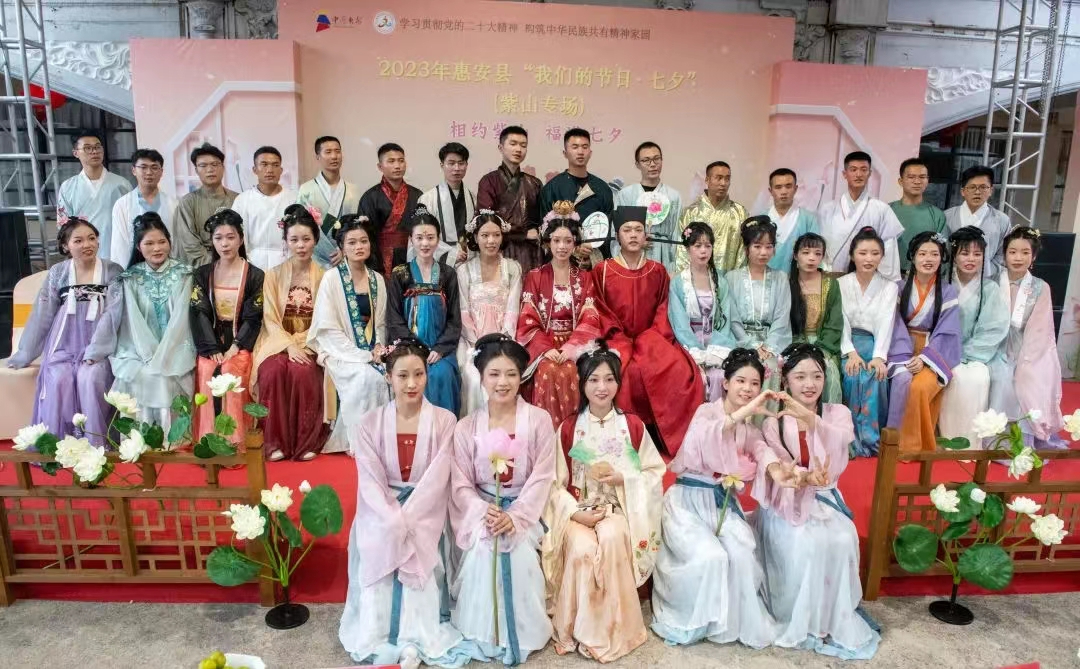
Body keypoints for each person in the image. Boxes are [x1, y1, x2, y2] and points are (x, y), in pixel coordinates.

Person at [339, 338, 481, 668]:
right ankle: (380, 634)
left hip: (425, 513)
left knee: (417, 561)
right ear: (388, 377)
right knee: (382, 542)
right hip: (381, 512)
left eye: (419, 374)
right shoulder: (369, 423)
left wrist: (409, 517)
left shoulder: (445, 420)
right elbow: (370, 481)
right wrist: (392, 518)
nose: (412, 383)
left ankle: (415, 638)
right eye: (402, 376)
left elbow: (437, 479)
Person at [650, 348, 798, 649]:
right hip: (687, 504)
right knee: (711, 556)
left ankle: (729, 624)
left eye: (755, 384)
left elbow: (761, 450)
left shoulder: (748, 428)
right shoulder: (707, 413)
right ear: (726, 383)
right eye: (741, 381)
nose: (748, 389)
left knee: (742, 553)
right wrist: (749, 409)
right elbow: (710, 435)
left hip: (720, 503)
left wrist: (777, 472)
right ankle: (693, 620)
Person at [756, 343, 880, 660]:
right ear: (785, 381)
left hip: (826, 498)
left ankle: (831, 617)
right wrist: (804, 477)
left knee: (842, 538)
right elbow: (781, 467)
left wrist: (810, 421)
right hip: (788, 499)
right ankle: (802, 618)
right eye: (800, 377)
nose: (809, 384)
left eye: (817, 376)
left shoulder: (838, 413)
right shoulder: (773, 422)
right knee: (806, 543)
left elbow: (842, 442)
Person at [541, 342, 664, 662]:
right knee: (582, 548)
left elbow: (654, 472)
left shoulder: (633, 426)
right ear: (582, 384)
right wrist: (573, 513)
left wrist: (625, 478)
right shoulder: (569, 428)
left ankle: (614, 631)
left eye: (610, 379)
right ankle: (577, 629)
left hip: (618, 508)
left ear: (618, 383)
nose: (602, 387)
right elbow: (553, 485)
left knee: (611, 538)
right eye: (593, 379)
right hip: (578, 510)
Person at [449, 334, 555, 665]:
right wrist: (485, 512)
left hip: (526, 511)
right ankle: (484, 633)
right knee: (484, 551)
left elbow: (542, 476)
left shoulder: (539, 420)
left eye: (511, 373)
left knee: (518, 554)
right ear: (481, 377)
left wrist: (516, 516)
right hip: (483, 513)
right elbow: (461, 484)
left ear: (522, 376)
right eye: (494, 374)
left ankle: (522, 633)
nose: (502, 382)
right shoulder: (466, 427)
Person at [592, 206, 704, 454]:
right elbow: (601, 311)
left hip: (652, 338)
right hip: (615, 338)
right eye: (627, 230)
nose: (633, 235)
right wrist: (618, 338)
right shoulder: (603, 270)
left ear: (646, 235)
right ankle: (625, 438)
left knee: (680, 370)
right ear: (617, 235)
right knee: (626, 370)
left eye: (638, 230)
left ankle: (668, 437)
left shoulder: (658, 271)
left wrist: (649, 338)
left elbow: (663, 310)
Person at [5, 219, 122, 445]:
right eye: (78, 240)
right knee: (59, 379)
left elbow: (113, 313)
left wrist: (96, 350)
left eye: (91, 238)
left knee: (91, 378)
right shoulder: (58, 272)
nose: (87, 244)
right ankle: (60, 446)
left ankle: (97, 445)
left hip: (101, 347)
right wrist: (26, 352)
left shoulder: (113, 270)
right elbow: (43, 313)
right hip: (63, 344)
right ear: (66, 246)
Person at [250, 205, 330, 461]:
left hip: (310, 341)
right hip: (277, 341)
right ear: (285, 241)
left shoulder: (325, 277)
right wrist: (288, 345)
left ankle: (307, 441)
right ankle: (275, 442)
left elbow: (323, 320)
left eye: (306, 239)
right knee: (272, 371)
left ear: (315, 240)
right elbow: (270, 318)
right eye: (294, 239)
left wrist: (301, 343)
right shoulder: (272, 275)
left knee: (303, 371)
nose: (301, 245)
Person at [102, 213, 195, 429]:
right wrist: (150, 355)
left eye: (162, 242)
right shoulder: (130, 278)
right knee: (141, 374)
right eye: (149, 243)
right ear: (138, 247)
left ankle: (173, 438)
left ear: (170, 242)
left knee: (166, 374)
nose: (157, 248)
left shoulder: (185, 274)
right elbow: (132, 323)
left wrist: (165, 355)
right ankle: (141, 438)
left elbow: (182, 321)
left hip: (177, 349)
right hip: (138, 351)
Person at [307, 215, 390, 453]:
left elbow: (381, 324)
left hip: (371, 350)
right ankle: (359, 441)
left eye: (363, 241)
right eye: (352, 243)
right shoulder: (331, 279)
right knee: (365, 377)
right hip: (340, 351)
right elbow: (328, 328)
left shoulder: (377, 280)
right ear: (341, 247)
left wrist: (378, 348)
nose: (358, 247)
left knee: (391, 375)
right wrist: (360, 355)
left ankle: (381, 440)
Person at [516, 203, 602, 428]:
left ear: (575, 244)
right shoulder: (535, 276)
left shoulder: (585, 277)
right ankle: (547, 434)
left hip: (576, 344)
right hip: (544, 345)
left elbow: (590, 317)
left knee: (573, 370)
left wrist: (571, 348)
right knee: (547, 369)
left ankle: (573, 433)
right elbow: (527, 318)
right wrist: (546, 349)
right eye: (556, 240)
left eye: (568, 241)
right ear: (548, 243)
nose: (562, 246)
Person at [189, 209, 265, 445]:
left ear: (241, 239)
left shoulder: (255, 275)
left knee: (231, 370)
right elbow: (199, 311)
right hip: (211, 339)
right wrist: (211, 347)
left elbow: (254, 317)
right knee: (206, 369)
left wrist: (237, 345)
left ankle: (234, 441)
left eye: (231, 237)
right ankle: (208, 440)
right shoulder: (203, 274)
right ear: (212, 242)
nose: (225, 244)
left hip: (240, 340)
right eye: (218, 238)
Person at [988, 226, 1066, 448]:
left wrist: (1024, 361)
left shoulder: (1041, 287)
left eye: (1025, 252)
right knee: (998, 375)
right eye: (1012, 252)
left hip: (1028, 349)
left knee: (1025, 377)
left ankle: (1018, 442)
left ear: (1034, 256)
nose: (1018, 258)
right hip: (992, 345)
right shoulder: (992, 282)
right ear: (1004, 254)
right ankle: (992, 439)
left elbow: (1040, 331)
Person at [886, 231, 962, 453]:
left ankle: (915, 446)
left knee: (920, 387)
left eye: (934, 254)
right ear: (913, 257)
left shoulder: (948, 292)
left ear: (942, 258)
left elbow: (947, 332)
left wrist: (925, 359)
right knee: (903, 380)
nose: (928, 259)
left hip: (932, 352)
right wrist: (905, 355)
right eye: (922, 254)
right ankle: (893, 441)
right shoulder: (899, 288)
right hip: (900, 347)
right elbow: (894, 323)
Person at [938, 227, 1009, 450]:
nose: (971, 259)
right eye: (964, 253)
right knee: (956, 376)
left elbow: (994, 328)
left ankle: (971, 443)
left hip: (978, 353)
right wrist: (950, 352)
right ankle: (947, 438)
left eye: (977, 254)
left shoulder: (990, 288)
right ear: (954, 255)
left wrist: (967, 353)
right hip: (943, 350)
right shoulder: (942, 284)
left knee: (978, 377)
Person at [387, 208, 462, 415]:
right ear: (411, 240)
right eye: (419, 238)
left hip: (440, 349)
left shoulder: (448, 274)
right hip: (408, 347)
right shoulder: (400, 274)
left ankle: (444, 428)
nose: (425, 243)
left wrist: (440, 348)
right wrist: (414, 347)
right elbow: (394, 318)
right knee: (413, 374)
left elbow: (454, 319)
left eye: (430, 237)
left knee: (442, 374)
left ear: (438, 240)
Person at [455, 211, 522, 417]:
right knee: (474, 376)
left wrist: (503, 340)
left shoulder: (512, 268)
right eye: (485, 235)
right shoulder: (464, 271)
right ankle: (476, 426)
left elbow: (513, 309)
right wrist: (477, 343)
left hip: (505, 338)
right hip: (472, 342)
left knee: (505, 372)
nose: (491, 241)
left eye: (496, 235)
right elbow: (463, 311)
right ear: (475, 237)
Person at [839, 227, 898, 457]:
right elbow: (840, 320)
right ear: (852, 255)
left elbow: (886, 321)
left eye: (875, 253)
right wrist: (850, 352)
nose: (869, 259)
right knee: (852, 374)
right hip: (847, 342)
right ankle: (850, 441)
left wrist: (879, 356)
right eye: (862, 253)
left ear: (882, 256)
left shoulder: (889, 287)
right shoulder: (841, 283)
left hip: (874, 343)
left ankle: (871, 441)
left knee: (876, 374)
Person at [726, 216, 792, 408]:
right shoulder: (732, 278)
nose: (763, 252)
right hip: (740, 341)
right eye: (757, 246)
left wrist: (769, 347)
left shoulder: (781, 278)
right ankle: (739, 419)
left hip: (772, 341)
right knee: (743, 367)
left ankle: (766, 421)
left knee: (771, 365)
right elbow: (733, 318)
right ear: (746, 248)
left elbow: (781, 317)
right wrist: (751, 345)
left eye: (768, 246)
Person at [667, 221, 736, 401]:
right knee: (688, 374)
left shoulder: (720, 281)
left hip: (717, 340)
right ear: (687, 249)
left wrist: (715, 349)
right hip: (687, 342)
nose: (703, 251)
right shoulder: (678, 283)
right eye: (698, 246)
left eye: (708, 246)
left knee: (722, 375)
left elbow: (725, 320)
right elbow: (679, 324)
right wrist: (697, 352)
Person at [817, 151, 903, 281]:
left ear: (870, 173)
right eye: (853, 169)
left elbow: (889, 249)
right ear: (844, 174)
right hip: (831, 276)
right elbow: (819, 245)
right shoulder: (827, 209)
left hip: (866, 278)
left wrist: (886, 282)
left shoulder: (881, 209)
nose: (858, 174)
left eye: (863, 170)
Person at [476, 126, 544, 274]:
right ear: (501, 147)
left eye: (523, 145)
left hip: (530, 253)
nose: (518, 149)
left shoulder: (534, 183)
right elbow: (486, 221)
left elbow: (542, 222)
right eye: (513, 144)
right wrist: (523, 234)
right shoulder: (488, 181)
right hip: (499, 249)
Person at [56, 130, 131, 261]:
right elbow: (64, 226)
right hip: (82, 254)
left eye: (97, 147)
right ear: (75, 153)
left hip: (117, 253)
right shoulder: (68, 187)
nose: (94, 151)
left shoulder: (122, 184)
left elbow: (131, 221)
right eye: (87, 148)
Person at [541, 128, 616, 258]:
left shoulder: (602, 188)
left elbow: (607, 230)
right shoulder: (552, 188)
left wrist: (591, 255)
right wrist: (573, 248)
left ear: (590, 152)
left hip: (593, 258)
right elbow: (545, 230)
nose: (580, 152)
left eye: (585, 147)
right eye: (575, 147)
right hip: (561, 259)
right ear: (565, 153)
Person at [788, 233, 844, 403]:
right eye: (806, 253)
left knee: (829, 371)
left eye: (817, 253)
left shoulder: (830, 284)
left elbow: (834, 323)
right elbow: (784, 321)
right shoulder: (787, 282)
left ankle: (827, 418)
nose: (811, 258)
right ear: (795, 255)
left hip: (823, 344)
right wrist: (798, 347)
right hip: (793, 343)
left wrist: (821, 349)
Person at [613, 141, 682, 272]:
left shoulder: (673, 196)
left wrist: (674, 266)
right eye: (646, 160)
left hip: (664, 254)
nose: (652, 164)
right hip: (633, 255)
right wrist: (636, 242)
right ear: (637, 164)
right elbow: (617, 232)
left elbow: (677, 233)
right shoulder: (626, 194)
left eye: (657, 159)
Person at [359, 142, 423, 275]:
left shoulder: (417, 195)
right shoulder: (370, 197)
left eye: (401, 161)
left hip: (412, 254)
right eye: (391, 161)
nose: (397, 166)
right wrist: (373, 265)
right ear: (380, 166)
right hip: (380, 259)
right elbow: (365, 235)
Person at [296, 135, 360, 268]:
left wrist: (344, 250)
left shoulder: (353, 190)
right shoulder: (306, 189)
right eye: (328, 152)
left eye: (337, 151)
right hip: (315, 256)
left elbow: (357, 226)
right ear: (318, 157)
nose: (334, 156)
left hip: (346, 256)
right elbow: (301, 227)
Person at [231, 146, 298, 271]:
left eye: (275, 165)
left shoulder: (294, 199)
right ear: (255, 169)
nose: (270, 170)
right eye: (264, 164)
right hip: (251, 266)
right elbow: (235, 235)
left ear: (281, 170)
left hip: (287, 265)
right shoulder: (242, 200)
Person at [109, 148, 178, 268]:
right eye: (143, 167)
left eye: (154, 167)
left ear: (161, 172)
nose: (149, 172)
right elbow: (119, 246)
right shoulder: (122, 205)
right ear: (134, 170)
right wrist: (125, 274)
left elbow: (177, 244)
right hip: (134, 270)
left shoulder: (174, 204)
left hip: (169, 270)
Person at [676, 160, 748, 272]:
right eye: (718, 178)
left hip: (730, 278)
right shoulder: (690, 213)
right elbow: (682, 250)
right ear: (707, 180)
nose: (723, 183)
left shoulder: (740, 213)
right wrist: (688, 279)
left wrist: (735, 278)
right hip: (696, 279)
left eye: (727, 179)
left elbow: (743, 252)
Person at [174, 142, 238, 267]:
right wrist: (215, 266)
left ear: (223, 167)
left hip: (236, 263)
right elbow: (189, 243)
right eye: (203, 165)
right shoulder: (188, 202)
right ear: (196, 170)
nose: (210, 170)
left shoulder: (238, 199)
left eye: (215, 164)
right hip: (203, 267)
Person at [944, 165, 1010, 280]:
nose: (977, 192)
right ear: (963, 191)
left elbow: (1003, 254)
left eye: (983, 187)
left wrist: (988, 270)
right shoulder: (946, 217)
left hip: (986, 280)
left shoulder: (1002, 220)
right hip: (950, 279)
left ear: (991, 190)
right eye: (972, 187)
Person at [419, 142, 477, 266]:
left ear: (466, 165)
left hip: (469, 260)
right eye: (451, 163)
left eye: (461, 163)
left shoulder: (473, 198)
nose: (457, 168)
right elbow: (423, 235)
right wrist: (451, 253)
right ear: (442, 165)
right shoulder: (428, 199)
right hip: (440, 262)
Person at [889, 158, 946, 277]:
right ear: (900, 181)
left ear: (927, 181)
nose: (917, 181)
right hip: (889, 276)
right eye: (911, 177)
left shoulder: (937, 215)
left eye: (922, 177)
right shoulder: (887, 211)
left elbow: (943, 250)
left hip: (924, 278)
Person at [762, 168, 819, 272]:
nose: (784, 192)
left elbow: (815, 254)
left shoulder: (808, 219)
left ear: (795, 188)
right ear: (770, 191)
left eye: (788, 186)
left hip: (797, 278)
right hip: (764, 277)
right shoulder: (761, 219)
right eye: (778, 187)